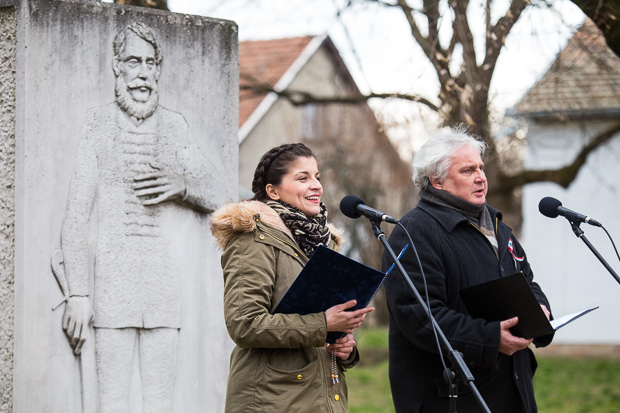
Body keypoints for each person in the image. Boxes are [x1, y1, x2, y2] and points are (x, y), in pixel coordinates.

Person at [59, 22, 222, 413]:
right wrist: (78, 293)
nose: (144, 73)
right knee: (112, 402)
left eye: (151, 63)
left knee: (160, 403)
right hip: (112, 285)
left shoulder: (174, 125)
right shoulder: (97, 124)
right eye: (134, 61)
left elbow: (219, 194)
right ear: (117, 67)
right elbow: (76, 216)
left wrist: (183, 185)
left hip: (162, 287)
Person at [383, 126, 554, 412]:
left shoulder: (498, 228)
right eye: (467, 170)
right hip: (451, 396)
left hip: (512, 388)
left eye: (481, 168)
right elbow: (420, 316)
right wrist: (490, 338)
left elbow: (527, 281)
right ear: (436, 180)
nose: (481, 178)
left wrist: (539, 309)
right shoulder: (412, 233)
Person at [210, 143, 374, 412]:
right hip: (272, 400)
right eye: (303, 177)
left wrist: (343, 346)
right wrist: (323, 324)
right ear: (272, 191)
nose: (316, 185)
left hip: (321, 399)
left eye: (317, 177)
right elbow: (244, 323)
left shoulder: (322, 243)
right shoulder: (253, 240)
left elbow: (316, 328)